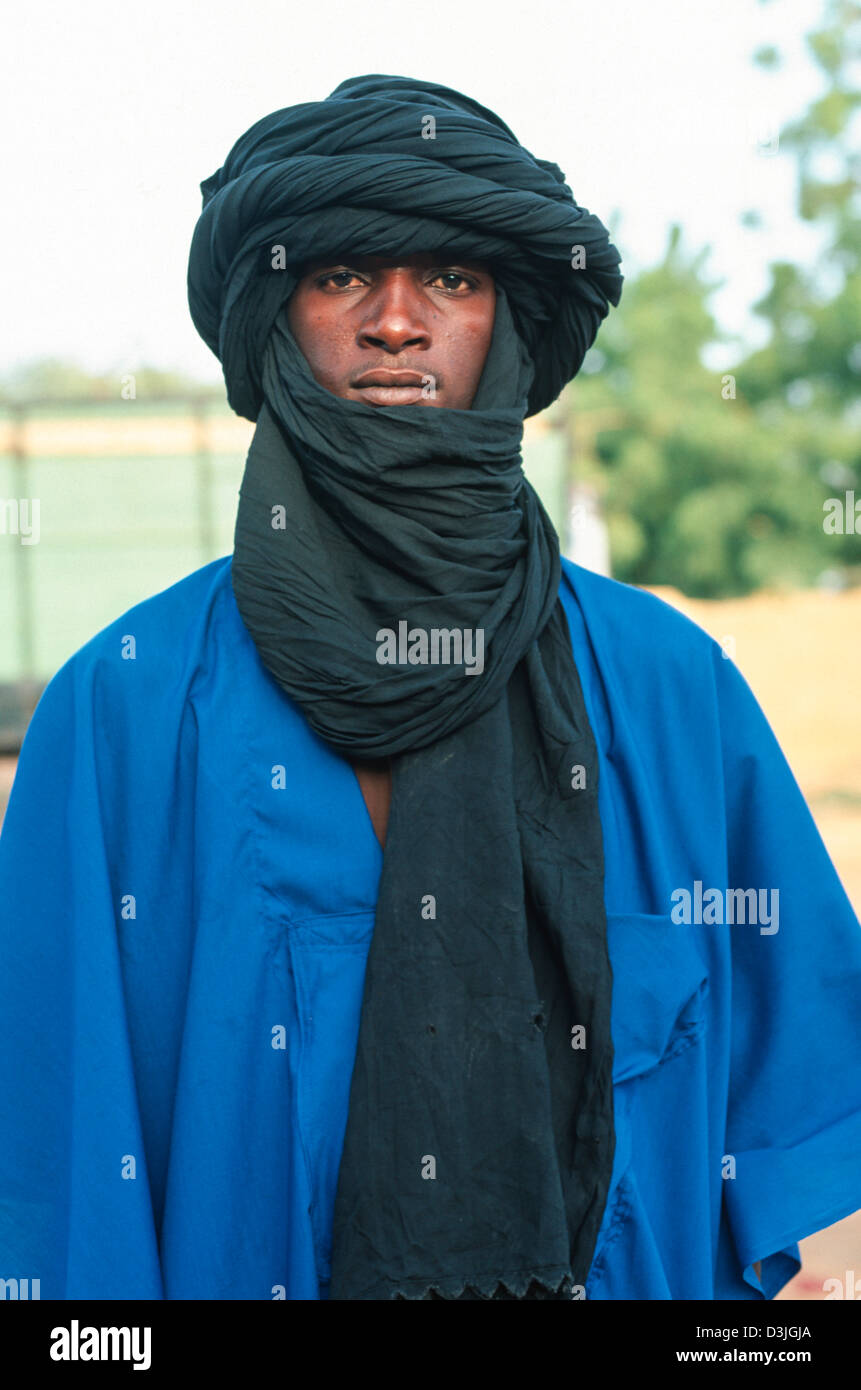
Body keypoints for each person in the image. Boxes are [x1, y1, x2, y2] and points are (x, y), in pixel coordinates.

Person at [1, 73, 859, 1302]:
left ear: (508, 326)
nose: (396, 321)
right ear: (276, 317)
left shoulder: (673, 696)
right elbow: (62, 1184)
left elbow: (791, 1110)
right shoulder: (120, 717)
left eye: (451, 279)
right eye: (342, 275)